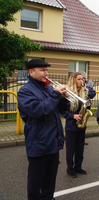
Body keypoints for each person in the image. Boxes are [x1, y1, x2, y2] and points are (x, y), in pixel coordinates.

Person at [18, 59, 67, 200]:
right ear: (31, 72)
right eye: (42, 70)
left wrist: (63, 98)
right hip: (38, 144)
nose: (46, 73)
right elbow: (39, 111)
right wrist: (56, 95)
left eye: (47, 70)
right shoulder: (25, 91)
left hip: (53, 142)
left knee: (50, 181)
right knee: (35, 182)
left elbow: (61, 110)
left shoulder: (49, 89)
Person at [61, 72, 88, 178]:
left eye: (82, 79)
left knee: (80, 147)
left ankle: (78, 166)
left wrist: (87, 105)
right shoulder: (67, 94)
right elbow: (62, 111)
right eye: (79, 79)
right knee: (71, 148)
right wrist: (72, 116)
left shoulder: (82, 92)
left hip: (81, 125)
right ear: (73, 80)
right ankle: (70, 168)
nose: (82, 81)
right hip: (71, 125)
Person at [80, 71, 96, 145]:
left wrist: (87, 91)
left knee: (84, 123)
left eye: (84, 78)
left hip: (86, 107)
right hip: (78, 108)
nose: (83, 80)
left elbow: (93, 93)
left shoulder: (87, 86)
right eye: (82, 78)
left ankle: (82, 140)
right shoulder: (75, 86)